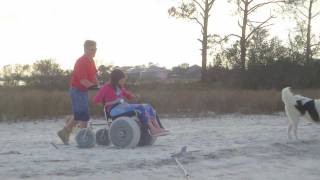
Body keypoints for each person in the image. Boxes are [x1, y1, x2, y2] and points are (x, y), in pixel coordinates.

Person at [93, 69, 169, 137]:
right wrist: (111, 103)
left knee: (148, 106)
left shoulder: (119, 87)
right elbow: (96, 100)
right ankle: (152, 129)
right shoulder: (106, 88)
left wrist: (134, 96)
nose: (123, 81)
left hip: (122, 106)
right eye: (122, 80)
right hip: (113, 110)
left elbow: (127, 95)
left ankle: (158, 127)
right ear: (116, 79)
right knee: (140, 108)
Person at [57, 40, 98, 145]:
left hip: (83, 91)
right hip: (77, 90)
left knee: (80, 113)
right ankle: (83, 137)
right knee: (83, 114)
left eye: (95, 49)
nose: (94, 51)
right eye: (91, 49)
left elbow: (93, 76)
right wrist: (95, 87)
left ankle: (66, 131)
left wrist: (98, 85)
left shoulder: (91, 61)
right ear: (85, 49)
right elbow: (83, 80)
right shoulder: (81, 62)